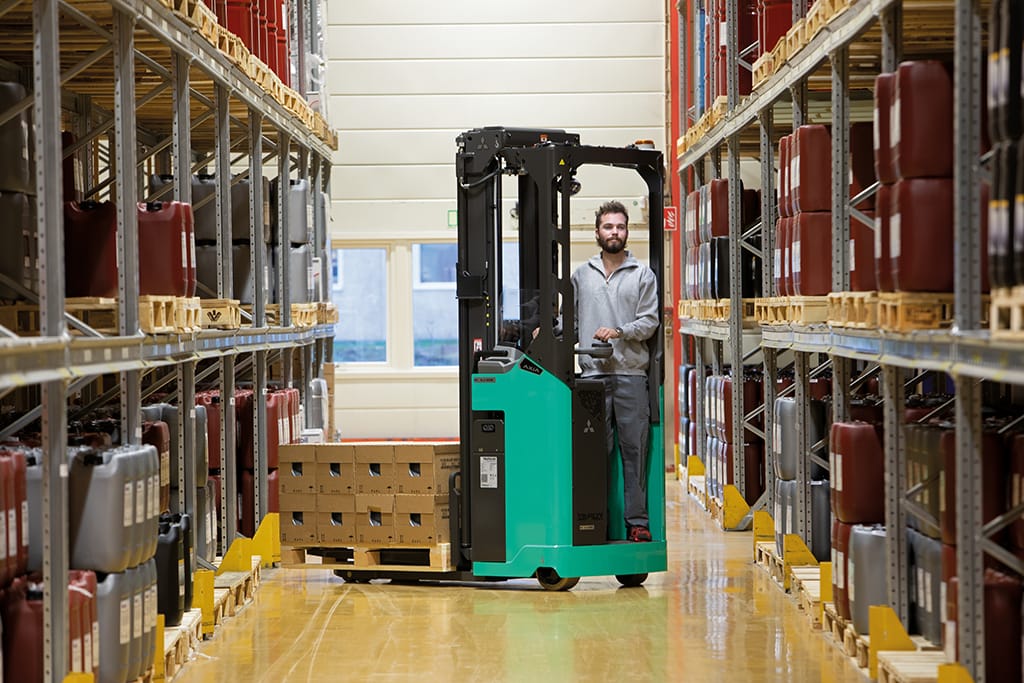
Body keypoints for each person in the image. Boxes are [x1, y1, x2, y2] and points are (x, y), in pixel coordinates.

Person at [571, 200, 659, 542]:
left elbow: (650, 321)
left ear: (627, 231)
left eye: (620, 227)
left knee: (634, 452)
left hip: (630, 376)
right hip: (592, 376)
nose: (614, 232)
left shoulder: (642, 275)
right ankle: (594, 521)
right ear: (597, 232)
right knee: (594, 453)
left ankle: (637, 523)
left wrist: (620, 331)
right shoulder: (582, 275)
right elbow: (573, 320)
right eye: (608, 227)